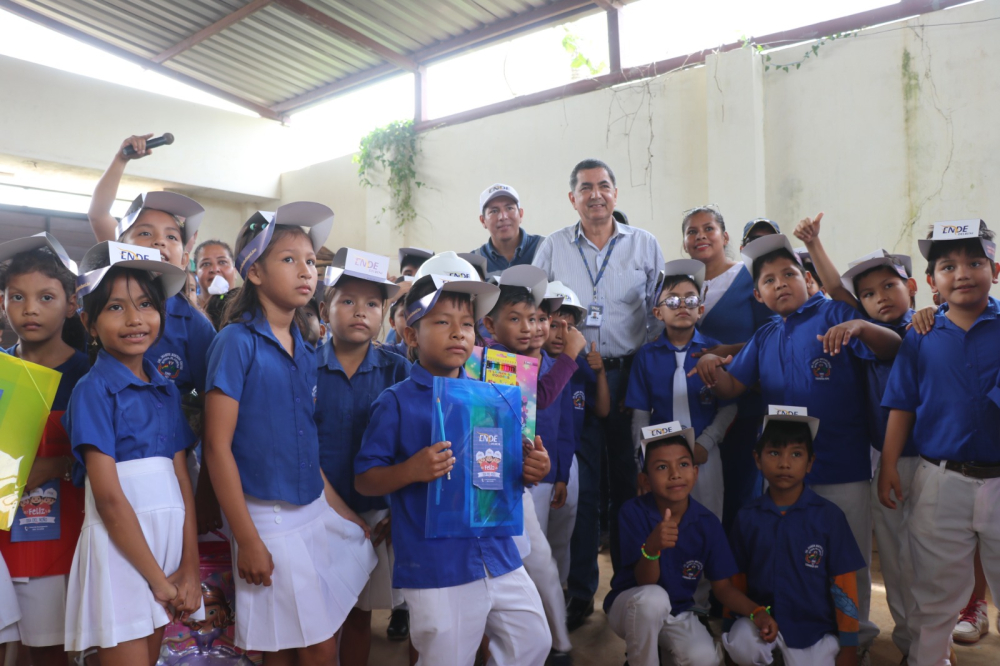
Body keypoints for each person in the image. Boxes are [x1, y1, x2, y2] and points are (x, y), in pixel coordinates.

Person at [694, 234, 903, 651]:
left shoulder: (836, 314)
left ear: (808, 279)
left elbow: (891, 347)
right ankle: (804, 631)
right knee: (796, 557)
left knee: (848, 560)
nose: (781, 284)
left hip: (842, 468)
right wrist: (709, 365)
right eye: (769, 280)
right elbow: (734, 386)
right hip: (785, 476)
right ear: (758, 294)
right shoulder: (766, 335)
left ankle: (854, 638)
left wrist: (861, 326)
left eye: (789, 274)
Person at [355, 261, 553, 666]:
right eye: (442, 322)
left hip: (498, 552)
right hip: (436, 564)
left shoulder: (492, 397)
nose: (458, 332)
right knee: (446, 656)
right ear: (411, 334)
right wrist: (410, 471)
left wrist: (530, 469)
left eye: (467, 323)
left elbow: (498, 473)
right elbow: (364, 479)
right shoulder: (396, 401)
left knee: (533, 640)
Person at [203, 203, 377, 663]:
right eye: (289, 259)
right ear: (254, 271)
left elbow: (305, 449)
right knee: (317, 644)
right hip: (266, 518)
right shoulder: (236, 343)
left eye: (310, 261)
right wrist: (248, 539)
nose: (307, 271)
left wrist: (342, 514)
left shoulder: (305, 346)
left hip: (309, 510)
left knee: (285, 644)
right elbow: (217, 447)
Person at [533, 158, 664, 629]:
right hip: (572, 377)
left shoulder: (644, 245)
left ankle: (632, 584)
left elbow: (657, 312)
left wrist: (643, 364)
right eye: (585, 188)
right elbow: (540, 311)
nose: (595, 195)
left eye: (603, 186)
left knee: (631, 483)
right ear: (573, 198)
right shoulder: (551, 247)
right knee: (583, 488)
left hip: (629, 374)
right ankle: (581, 590)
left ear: (615, 193)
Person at [62, 241, 204, 663]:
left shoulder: (164, 387)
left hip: (167, 556)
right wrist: (158, 581)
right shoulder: (93, 391)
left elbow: (182, 479)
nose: (135, 319)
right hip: (121, 555)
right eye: (115, 308)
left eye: (145, 304)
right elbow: (107, 496)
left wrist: (190, 567)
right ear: (89, 322)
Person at [794, 214, 920, 659]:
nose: (879, 298)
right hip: (882, 459)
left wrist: (859, 325)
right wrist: (815, 243)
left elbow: (893, 347)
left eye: (889, 287)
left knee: (925, 558)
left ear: (914, 287)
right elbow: (836, 292)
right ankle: (908, 638)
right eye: (868, 294)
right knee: (895, 555)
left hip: (923, 460)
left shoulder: (917, 330)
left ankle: (927, 640)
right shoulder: (863, 328)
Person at [879, 220, 1000, 666]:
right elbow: (902, 404)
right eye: (948, 265)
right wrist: (889, 464)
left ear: (996, 269)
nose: (963, 272)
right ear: (931, 283)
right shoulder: (921, 334)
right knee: (933, 594)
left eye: (975, 262)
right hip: (940, 478)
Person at [605, 422, 778, 666]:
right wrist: (652, 548)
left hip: (678, 612)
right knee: (654, 599)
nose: (675, 474)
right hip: (630, 607)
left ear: (695, 473)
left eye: (683, 464)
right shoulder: (633, 512)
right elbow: (645, 583)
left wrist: (757, 611)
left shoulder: (707, 523)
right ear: (645, 479)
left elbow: (723, 588)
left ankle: (660, 652)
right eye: (662, 467)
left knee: (704, 658)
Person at [314, 248, 410, 666]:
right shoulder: (302, 367)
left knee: (357, 613)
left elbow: (411, 445)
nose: (360, 312)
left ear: (385, 314)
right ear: (324, 308)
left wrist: (397, 507)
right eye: (347, 301)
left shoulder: (397, 369)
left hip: (375, 517)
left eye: (372, 303)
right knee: (316, 617)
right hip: (314, 511)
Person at [0, 234, 88, 666]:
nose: (29, 308)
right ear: (3, 302)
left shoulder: (88, 376)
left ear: (72, 304)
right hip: (3, 539)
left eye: (45, 297)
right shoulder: (1, 371)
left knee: (48, 651)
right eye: (17, 297)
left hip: (61, 542)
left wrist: (56, 464)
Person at [481, 264, 574, 664]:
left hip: (514, 481)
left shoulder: (519, 357)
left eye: (537, 319)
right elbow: (544, 394)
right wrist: (570, 355)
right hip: (492, 483)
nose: (529, 328)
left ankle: (561, 642)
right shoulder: (491, 358)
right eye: (515, 319)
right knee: (524, 564)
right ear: (489, 324)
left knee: (540, 561)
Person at [723, 407, 865, 666]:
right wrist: (729, 630)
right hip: (760, 621)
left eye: (796, 454)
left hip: (813, 628)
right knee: (743, 646)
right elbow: (736, 580)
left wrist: (849, 646)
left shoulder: (830, 517)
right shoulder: (747, 517)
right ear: (757, 459)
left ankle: (824, 650)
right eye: (774, 453)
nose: (784, 463)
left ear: (810, 462)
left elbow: (844, 585)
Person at [87, 134, 217, 395]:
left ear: (183, 256)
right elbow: (98, 213)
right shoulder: (106, 294)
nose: (160, 242)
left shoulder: (194, 323)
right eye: (145, 233)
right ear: (120, 248)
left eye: (171, 236)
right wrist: (120, 160)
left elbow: (211, 393)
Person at [680, 205, 773, 534]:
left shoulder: (748, 278)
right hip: (693, 408)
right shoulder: (680, 285)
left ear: (725, 236)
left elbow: (769, 335)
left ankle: (735, 578)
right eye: (692, 232)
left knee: (739, 494)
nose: (700, 236)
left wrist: (729, 354)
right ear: (684, 243)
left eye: (709, 229)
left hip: (741, 406)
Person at [627, 259, 735, 522]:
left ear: (700, 309)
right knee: (664, 520)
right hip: (661, 455)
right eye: (672, 301)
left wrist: (705, 443)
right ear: (657, 312)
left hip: (705, 453)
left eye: (690, 300)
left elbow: (729, 406)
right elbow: (640, 414)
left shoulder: (714, 350)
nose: (682, 306)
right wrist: (642, 462)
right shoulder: (646, 356)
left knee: (709, 519)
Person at [543, 282, 610, 585]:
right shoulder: (537, 364)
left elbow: (602, 410)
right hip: (537, 456)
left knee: (567, 524)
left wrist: (599, 373)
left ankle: (563, 591)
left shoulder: (581, 367)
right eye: (554, 325)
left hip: (569, 457)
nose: (560, 334)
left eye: (568, 327)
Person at [472, 184, 545, 277]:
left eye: (509, 208)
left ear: (521, 214)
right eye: (494, 211)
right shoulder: (474, 262)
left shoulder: (545, 247)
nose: (503, 217)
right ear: (483, 221)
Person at [193, 240, 237, 310]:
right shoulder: (188, 308)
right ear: (196, 274)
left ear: (235, 271)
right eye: (206, 264)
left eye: (222, 262)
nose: (215, 269)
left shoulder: (251, 306)